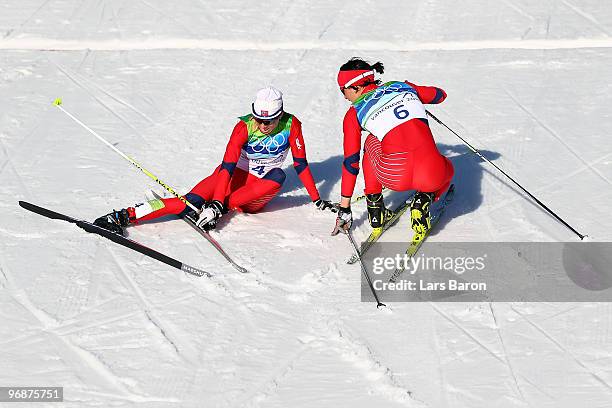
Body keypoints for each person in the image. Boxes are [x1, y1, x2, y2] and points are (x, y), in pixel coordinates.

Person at [94, 86, 335, 235]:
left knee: (279, 176)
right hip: (230, 179)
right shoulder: (243, 127)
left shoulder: (292, 125)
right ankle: (122, 216)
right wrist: (216, 201)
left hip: (255, 193)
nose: (263, 126)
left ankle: (219, 209)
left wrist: (317, 199)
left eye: (269, 121)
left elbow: (301, 165)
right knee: (187, 203)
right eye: (259, 120)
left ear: (279, 115)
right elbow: (227, 167)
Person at [331, 58, 454, 237]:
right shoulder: (400, 86)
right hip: (431, 174)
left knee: (371, 141)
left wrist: (344, 208)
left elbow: (351, 163)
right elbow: (440, 95)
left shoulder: (354, 114)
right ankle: (424, 199)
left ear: (355, 87)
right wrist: (413, 90)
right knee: (447, 167)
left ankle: (376, 209)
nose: (344, 96)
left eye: (343, 90)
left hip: (393, 175)